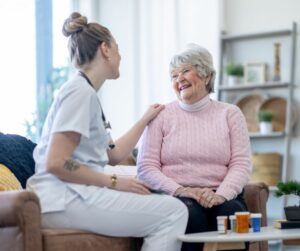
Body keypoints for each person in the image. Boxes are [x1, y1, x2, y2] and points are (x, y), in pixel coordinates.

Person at [26, 12, 188, 251]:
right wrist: (112, 181)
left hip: (70, 195)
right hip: (62, 198)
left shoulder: (87, 93)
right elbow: (57, 162)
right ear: (105, 49)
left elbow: (114, 154)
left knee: (162, 201)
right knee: (173, 212)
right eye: (118, 49)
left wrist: (145, 120)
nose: (120, 56)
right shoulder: (79, 93)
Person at [137, 44, 252, 251]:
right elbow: (146, 167)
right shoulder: (161, 116)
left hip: (222, 193)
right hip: (177, 195)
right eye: (173, 75)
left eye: (185, 71)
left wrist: (221, 194)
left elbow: (241, 163)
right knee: (189, 214)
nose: (178, 79)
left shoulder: (230, 113)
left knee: (230, 213)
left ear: (206, 75)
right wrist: (181, 190)